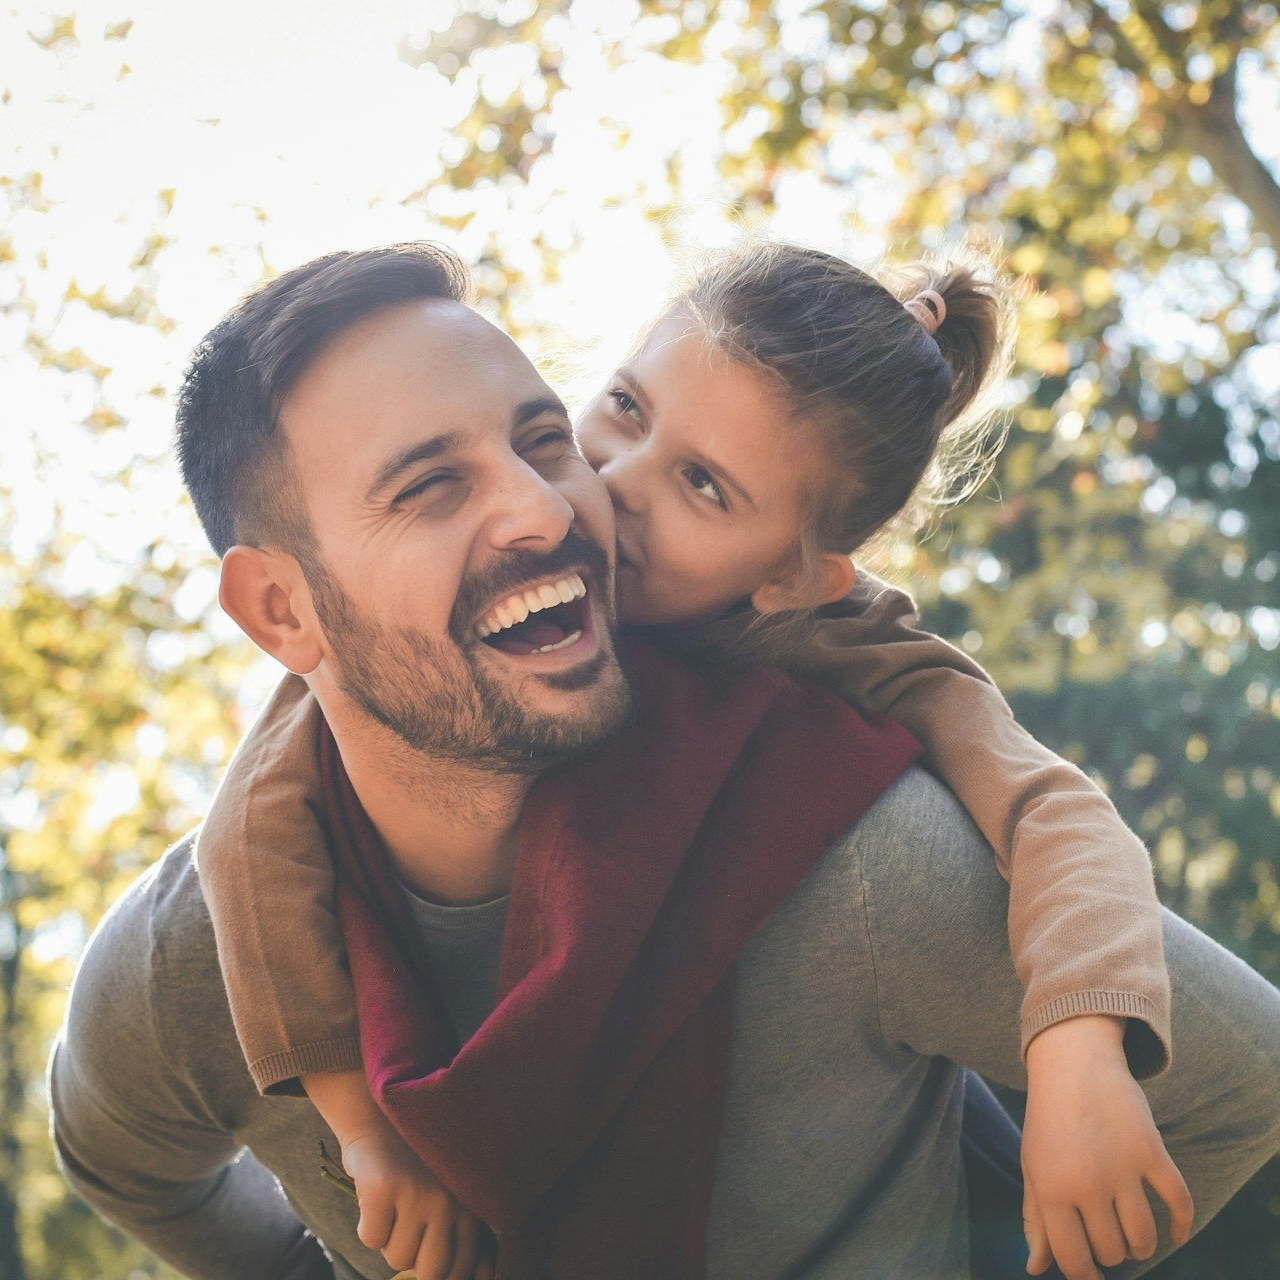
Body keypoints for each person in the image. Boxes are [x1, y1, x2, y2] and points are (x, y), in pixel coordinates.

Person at [48, 243, 1280, 1280]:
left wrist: (1072, 1046)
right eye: (431, 487)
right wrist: (356, 1134)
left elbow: (1097, 878)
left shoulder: (852, 829)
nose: (569, 502)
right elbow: (128, 1145)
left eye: (542, 440)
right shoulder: (185, 963)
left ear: (793, 570)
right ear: (279, 615)